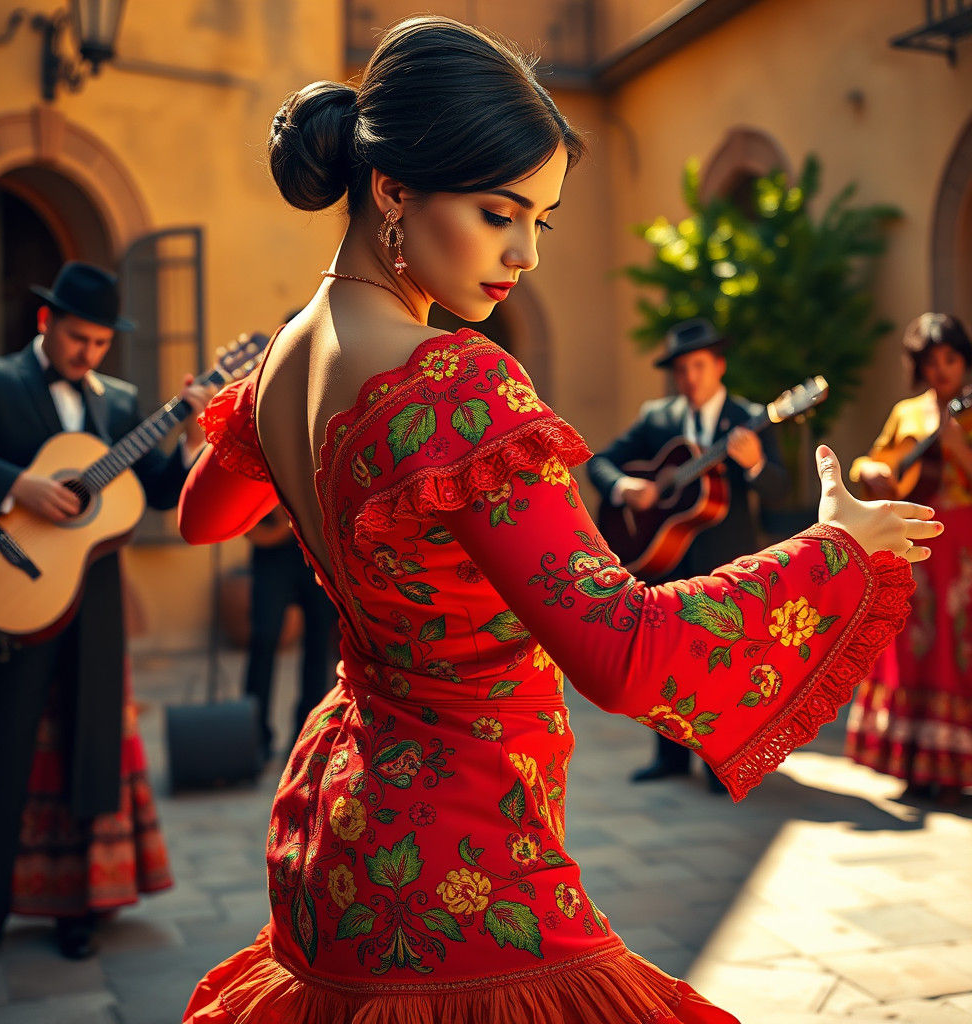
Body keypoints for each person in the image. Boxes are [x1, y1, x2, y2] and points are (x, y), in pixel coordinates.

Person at [177, 17, 936, 1023]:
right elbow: (622, 652)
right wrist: (833, 548)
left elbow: (201, 514)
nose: (525, 254)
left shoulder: (282, 358)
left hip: (338, 832)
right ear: (392, 190)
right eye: (499, 214)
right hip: (464, 862)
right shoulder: (457, 385)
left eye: (541, 219)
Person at [0, 261, 214, 977]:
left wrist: (190, 435)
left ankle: (80, 911)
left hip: (93, 606)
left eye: (99, 343)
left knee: (88, 754)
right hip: (18, 593)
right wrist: (18, 486)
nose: (87, 354)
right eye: (77, 339)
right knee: (2, 760)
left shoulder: (123, 403)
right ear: (46, 322)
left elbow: (156, 491)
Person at [587, 318, 789, 791]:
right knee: (668, 663)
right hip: (665, 560)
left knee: (726, 667)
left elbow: (779, 492)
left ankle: (724, 761)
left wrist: (756, 463)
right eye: (680, 369)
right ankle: (671, 758)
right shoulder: (657, 418)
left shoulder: (750, 417)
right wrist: (625, 488)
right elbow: (599, 462)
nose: (690, 378)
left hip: (729, 563)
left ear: (719, 365)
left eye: (698, 366)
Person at [846, 312, 972, 805]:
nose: (941, 370)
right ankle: (915, 763)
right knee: (913, 646)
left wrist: (960, 451)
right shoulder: (907, 413)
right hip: (915, 542)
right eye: (931, 361)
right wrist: (870, 469)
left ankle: (956, 764)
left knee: (957, 648)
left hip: (963, 547)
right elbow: (874, 461)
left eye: (951, 359)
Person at [244, 503, 338, 760]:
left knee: (318, 643)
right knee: (264, 637)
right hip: (269, 548)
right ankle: (254, 738)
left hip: (314, 542)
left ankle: (306, 738)